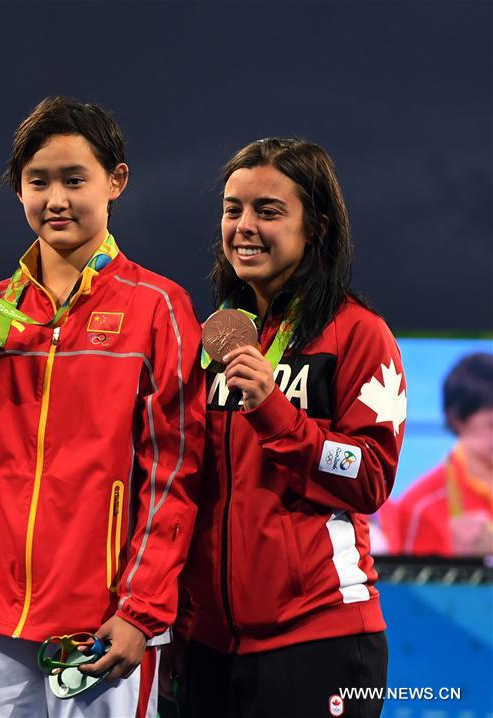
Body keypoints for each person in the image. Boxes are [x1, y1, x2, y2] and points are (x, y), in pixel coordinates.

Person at [0, 97, 204, 717]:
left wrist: (141, 609)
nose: (56, 199)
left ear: (116, 182)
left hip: (105, 618)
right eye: (38, 182)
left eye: (75, 180)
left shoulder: (158, 308)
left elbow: (175, 475)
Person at [172, 138, 406, 718]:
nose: (244, 227)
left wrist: (275, 411)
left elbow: (370, 476)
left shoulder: (357, 334)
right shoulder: (215, 338)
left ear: (317, 226)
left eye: (268, 211)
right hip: (207, 645)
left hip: (320, 635)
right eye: (233, 209)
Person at [395, 352, 493, 556]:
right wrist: (452, 554)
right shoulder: (419, 506)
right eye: (491, 425)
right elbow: (404, 586)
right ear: (458, 420)